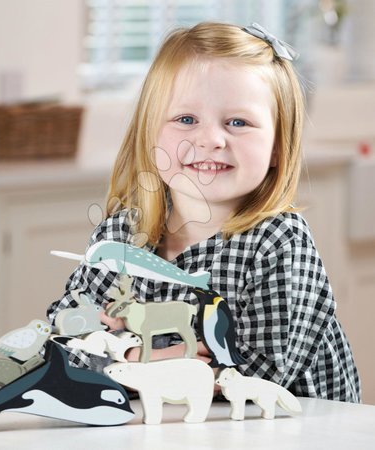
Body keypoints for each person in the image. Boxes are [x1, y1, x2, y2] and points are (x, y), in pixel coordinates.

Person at [47, 22, 360, 402]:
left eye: (238, 123)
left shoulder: (278, 241)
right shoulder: (119, 237)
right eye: (186, 119)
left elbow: (262, 373)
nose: (210, 140)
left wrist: (124, 363)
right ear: (150, 133)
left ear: (278, 146)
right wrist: (137, 361)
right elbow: (61, 337)